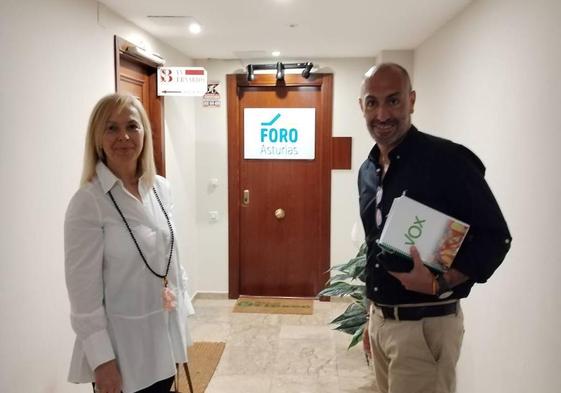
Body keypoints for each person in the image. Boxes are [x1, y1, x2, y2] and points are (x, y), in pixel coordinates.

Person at [357, 63, 511, 393]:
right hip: (384, 322)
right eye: (372, 102)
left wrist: (439, 281)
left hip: (425, 328)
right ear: (362, 106)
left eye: (393, 100)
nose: (382, 113)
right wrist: (373, 318)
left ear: (411, 101)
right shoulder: (368, 171)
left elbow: (495, 238)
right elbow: (375, 247)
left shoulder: (447, 161)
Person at [64, 93, 194, 393]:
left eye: (132, 126)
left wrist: (181, 318)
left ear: (144, 133)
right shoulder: (89, 202)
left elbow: (170, 259)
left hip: (164, 339)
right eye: (111, 128)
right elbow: (83, 296)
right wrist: (102, 362)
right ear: (98, 138)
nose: (123, 136)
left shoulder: (161, 188)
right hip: (122, 351)